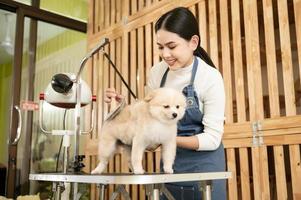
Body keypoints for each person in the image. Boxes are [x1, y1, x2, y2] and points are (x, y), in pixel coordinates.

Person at [104, 7, 226, 200]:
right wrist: (123, 108)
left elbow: (212, 139)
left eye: (172, 46)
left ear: (193, 42)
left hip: (204, 171)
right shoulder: (157, 74)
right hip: (169, 169)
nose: (165, 54)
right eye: (160, 47)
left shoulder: (210, 77)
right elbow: (147, 133)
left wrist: (167, 139)